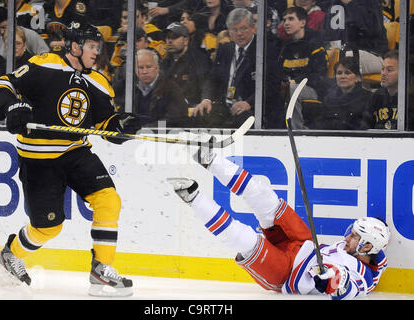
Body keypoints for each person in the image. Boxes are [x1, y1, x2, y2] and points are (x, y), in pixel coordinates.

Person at [0, 22, 140, 297]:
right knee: (48, 227)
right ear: (74, 46)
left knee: (109, 200)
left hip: (75, 153)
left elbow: (104, 125)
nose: (97, 52)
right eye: (92, 47)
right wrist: (12, 107)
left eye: (98, 47)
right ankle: (11, 254)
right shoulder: (44, 64)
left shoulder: (98, 81)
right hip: (38, 159)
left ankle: (101, 268)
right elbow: (3, 84)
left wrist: (121, 127)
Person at [167, 145, 390, 300]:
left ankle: (192, 197)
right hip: (303, 243)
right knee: (265, 198)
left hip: (286, 273)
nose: (347, 237)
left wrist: (335, 282)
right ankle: (210, 159)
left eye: (355, 237)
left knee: (244, 238)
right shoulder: (351, 250)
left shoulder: (364, 274)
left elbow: (352, 289)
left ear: (367, 246)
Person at [191, 8, 256, 128]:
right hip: (225, 106)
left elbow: (270, 86)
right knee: (200, 113)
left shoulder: (263, 50)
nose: (239, 33)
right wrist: (206, 99)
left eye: (243, 28)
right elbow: (212, 79)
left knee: (243, 119)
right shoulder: (225, 49)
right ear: (229, 32)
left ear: (253, 28)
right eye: (234, 30)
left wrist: (249, 103)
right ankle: (204, 147)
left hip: (249, 108)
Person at [277, 6, 328, 129]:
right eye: (284, 20)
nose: (286, 23)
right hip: (291, 87)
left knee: (293, 89)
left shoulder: (315, 43)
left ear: (303, 23)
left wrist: (295, 81)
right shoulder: (285, 47)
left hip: (314, 90)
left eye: (291, 19)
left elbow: (318, 75)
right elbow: (279, 71)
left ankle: (296, 131)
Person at [321, 0, 388, 75]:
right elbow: (325, 36)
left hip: (372, 53)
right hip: (341, 52)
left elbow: (373, 31)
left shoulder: (371, 2)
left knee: (346, 59)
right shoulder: (333, 4)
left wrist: (351, 4)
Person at [134, 48, 189, 127]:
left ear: (157, 68)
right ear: (135, 70)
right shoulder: (131, 89)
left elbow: (174, 120)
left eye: (149, 67)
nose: (144, 72)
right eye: (140, 68)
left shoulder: (171, 89)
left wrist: (147, 128)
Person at [313, 57, 373, 130]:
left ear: (357, 78)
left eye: (347, 73)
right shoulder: (328, 100)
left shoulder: (368, 99)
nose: (342, 76)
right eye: (339, 73)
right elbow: (320, 124)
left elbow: (367, 126)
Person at [162, 22, 211, 110]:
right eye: (168, 37)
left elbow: (206, 82)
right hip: (169, 110)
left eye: (174, 37)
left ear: (186, 40)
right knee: (159, 122)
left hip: (192, 110)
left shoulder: (199, 59)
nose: (169, 41)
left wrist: (205, 100)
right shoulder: (165, 61)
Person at [370, 50, 399, 129]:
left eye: (389, 70)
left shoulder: (409, 99)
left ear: (403, 72)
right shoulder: (376, 96)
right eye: (382, 69)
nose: (383, 73)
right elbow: (365, 125)